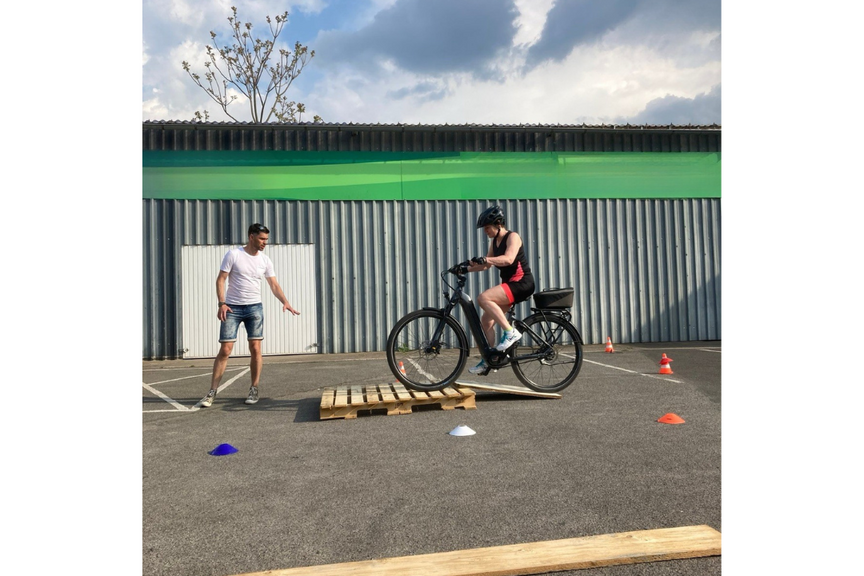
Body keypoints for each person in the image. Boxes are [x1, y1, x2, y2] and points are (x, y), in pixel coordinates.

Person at [200, 223, 300, 407]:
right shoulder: (234, 255)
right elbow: (221, 279)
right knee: (226, 349)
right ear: (251, 237)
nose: (265, 242)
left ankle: (254, 389)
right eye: (262, 239)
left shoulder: (265, 260)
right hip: (232, 308)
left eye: (266, 239)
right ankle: (211, 392)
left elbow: (274, 285)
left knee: (255, 348)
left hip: (254, 308)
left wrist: (285, 302)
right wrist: (222, 303)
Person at [465, 205, 535, 375]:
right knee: (486, 321)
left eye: (487, 227)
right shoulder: (494, 242)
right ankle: (489, 359)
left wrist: (486, 259)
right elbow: (486, 265)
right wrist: (465, 268)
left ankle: (510, 332)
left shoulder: (513, 237)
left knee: (483, 298)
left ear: (498, 224)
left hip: (521, 283)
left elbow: (508, 259)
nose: (485, 231)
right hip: (510, 285)